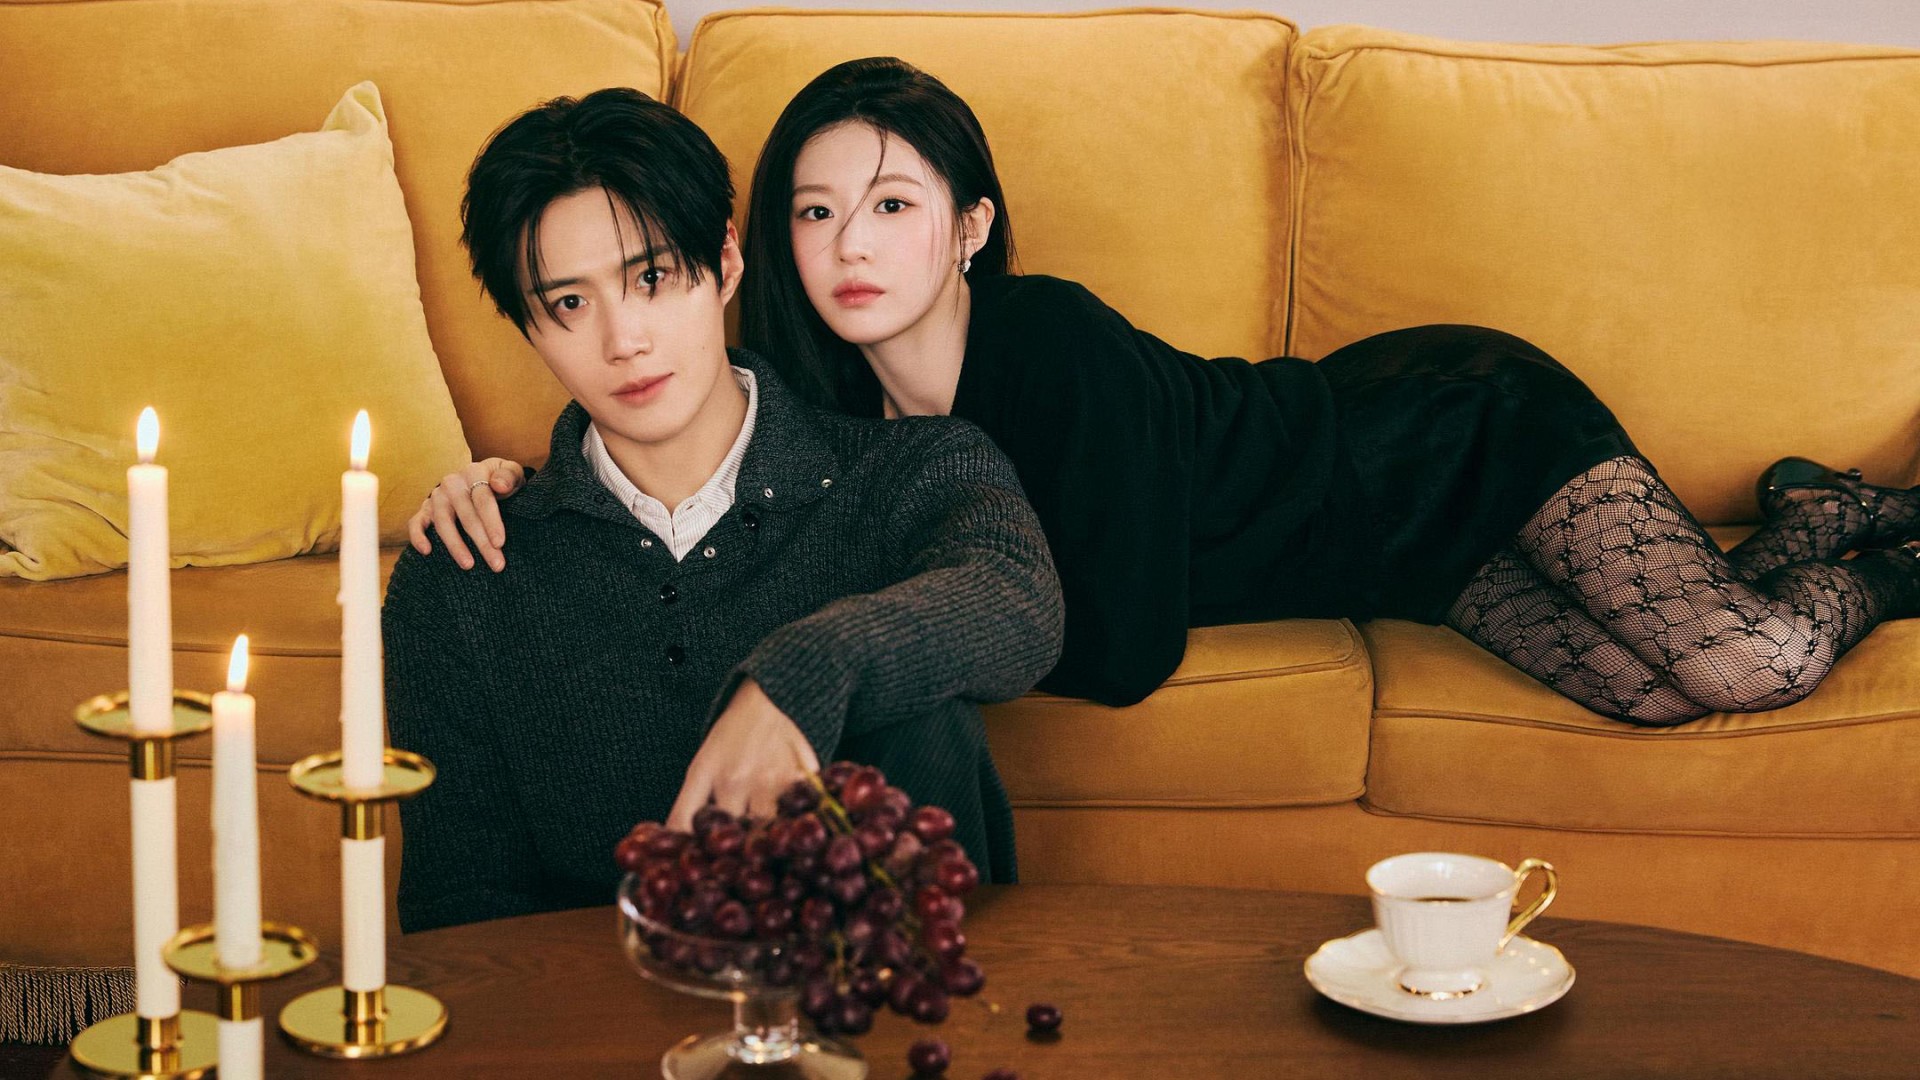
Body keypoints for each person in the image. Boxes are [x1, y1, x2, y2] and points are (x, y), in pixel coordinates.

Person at [412, 59, 1920, 728]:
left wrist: (904, 641)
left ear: (971, 229)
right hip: (1396, 565)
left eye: (892, 205)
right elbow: (673, 435)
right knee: (1649, 695)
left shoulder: (1052, 346)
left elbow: (1123, 648)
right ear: (772, 245)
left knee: (1742, 664)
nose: (851, 245)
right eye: (815, 212)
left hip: (1447, 432)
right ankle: (1808, 515)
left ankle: (1883, 550)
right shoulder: (832, 415)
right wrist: (505, 483)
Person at [384, 86, 1062, 932]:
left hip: (877, 999)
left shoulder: (907, 469)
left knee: (927, 721)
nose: (624, 340)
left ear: (727, 260)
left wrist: (797, 680)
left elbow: (1020, 597)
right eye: (569, 303)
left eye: (652, 278)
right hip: (592, 1004)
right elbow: (461, 914)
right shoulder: (464, 574)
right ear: (529, 327)